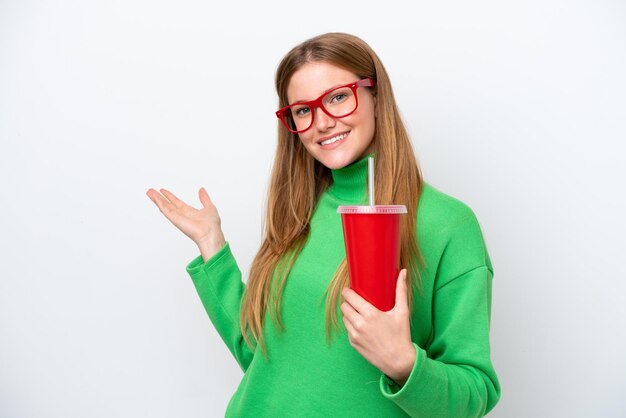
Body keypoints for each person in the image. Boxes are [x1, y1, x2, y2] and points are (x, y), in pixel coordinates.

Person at [146, 32, 500, 417]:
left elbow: (474, 395)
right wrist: (211, 244)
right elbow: (262, 357)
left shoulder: (447, 225)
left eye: (337, 97)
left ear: (376, 95)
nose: (322, 122)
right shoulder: (299, 213)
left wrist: (403, 363)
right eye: (302, 110)